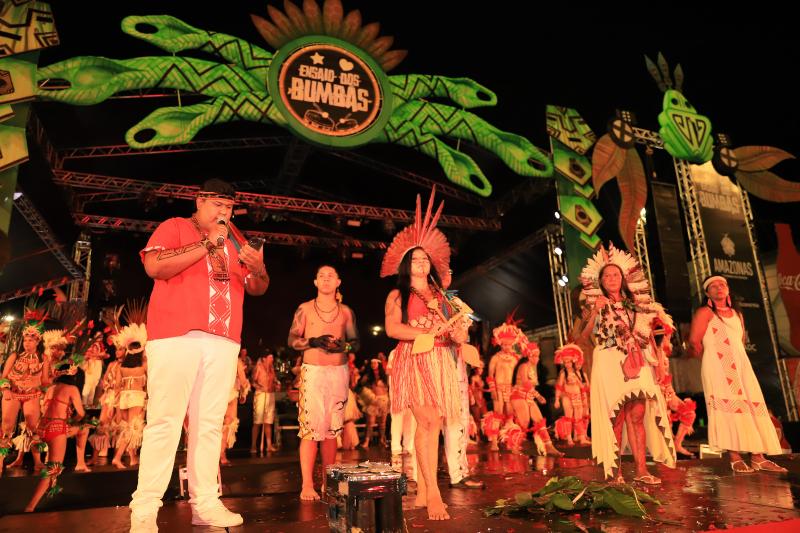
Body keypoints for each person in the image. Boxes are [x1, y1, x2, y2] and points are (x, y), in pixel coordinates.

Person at [129, 179, 268, 532]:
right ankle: (144, 509)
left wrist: (258, 267)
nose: (224, 212)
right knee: (165, 421)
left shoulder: (236, 239)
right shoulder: (175, 226)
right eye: (218, 205)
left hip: (224, 340)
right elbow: (154, 266)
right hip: (176, 336)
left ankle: (205, 503)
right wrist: (207, 244)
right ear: (199, 201)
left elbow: (257, 287)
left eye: (229, 207)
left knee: (209, 425)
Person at [381, 190, 471, 520]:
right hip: (415, 359)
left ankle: (423, 490)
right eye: (415, 259)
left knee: (435, 423)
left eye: (425, 259)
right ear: (406, 264)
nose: (421, 263)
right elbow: (392, 328)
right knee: (428, 421)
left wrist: (459, 334)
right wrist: (425, 334)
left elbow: (457, 330)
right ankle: (433, 492)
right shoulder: (397, 294)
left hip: (442, 361)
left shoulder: (443, 295)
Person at [580, 243, 676, 485]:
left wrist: (658, 362)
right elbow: (583, 336)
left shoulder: (637, 302)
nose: (612, 278)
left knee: (637, 413)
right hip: (610, 360)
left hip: (638, 358)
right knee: (617, 415)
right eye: (607, 276)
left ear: (623, 278)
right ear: (600, 281)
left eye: (616, 274)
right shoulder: (594, 303)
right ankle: (616, 473)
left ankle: (642, 470)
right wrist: (595, 313)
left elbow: (649, 332)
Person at [688, 275, 786, 473]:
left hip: (740, 365)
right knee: (729, 408)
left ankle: (758, 457)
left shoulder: (736, 313)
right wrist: (712, 362)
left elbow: (740, 342)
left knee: (750, 405)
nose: (718, 288)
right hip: (717, 366)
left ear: (728, 289)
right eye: (713, 286)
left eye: (722, 284)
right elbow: (694, 342)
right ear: (707, 293)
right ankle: (734, 456)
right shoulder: (705, 312)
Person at [288, 265, 359, 501]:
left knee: (331, 430)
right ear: (315, 282)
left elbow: (356, 343)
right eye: (321, 276)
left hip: (338, 373)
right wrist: (313, 341)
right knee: (310, 430)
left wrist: (343, 346)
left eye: (331, 276)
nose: (326, 279)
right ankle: (307, 484)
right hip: (313, 373)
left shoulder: (346, 311)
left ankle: (328, 482)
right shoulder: (305, 309)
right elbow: (292, 339)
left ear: (338, 282)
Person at [25, 366, 90, 512]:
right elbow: (81, 413)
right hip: (56, 428)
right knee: (53, 469)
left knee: (83, 430)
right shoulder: (72, 389)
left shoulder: (51, 388)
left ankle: (79, 463)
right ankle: (30, 507)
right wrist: (71, 421)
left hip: (42, 428)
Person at [2, 308, 49, 473]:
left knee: (33, 428)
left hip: (32, 395)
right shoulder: (15, 356)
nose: (27, 343)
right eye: (25, 340)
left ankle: (37, 461)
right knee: (7, 427)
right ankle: (0, 460)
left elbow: (45, 381)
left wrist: (61, 374)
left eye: (31, 340)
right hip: (13, 393)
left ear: (37, 342)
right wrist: (6, 389)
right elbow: (3, 376)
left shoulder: (43, 358)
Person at [508, 342, 562, 455]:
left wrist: (534, 395)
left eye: (538, 355)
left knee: (540, 421)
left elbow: (531, 385)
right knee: (524, 422)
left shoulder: (532, 367)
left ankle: (549, 446)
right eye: (535, 356)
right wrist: (538, 396)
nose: (537, 358)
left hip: (528, 397)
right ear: (529, 356)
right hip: (518, 396)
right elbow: (525, 382)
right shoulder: (524, 366)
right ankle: (514, 446)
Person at [112, 324, 148, 469]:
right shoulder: (143, 366)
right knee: (132, 429)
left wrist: (115, 405)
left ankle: (133, 458)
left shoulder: (121, 368)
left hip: (124, 397)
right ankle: (117, 457)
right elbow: (150, 382)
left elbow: (117, 386)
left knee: (129, 428)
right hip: (136, 397)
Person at [554, 344, 591, 446]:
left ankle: (581, 438)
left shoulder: (577, 373)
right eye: (565, 362)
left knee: (579, 418)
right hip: (567, 397)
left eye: (568, 362)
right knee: (568, 418)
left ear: (572, 361)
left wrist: (584, 397)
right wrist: (557, 399)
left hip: (577, 396)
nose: (567, 364)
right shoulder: (563, 373)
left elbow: (581, 386)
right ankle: (569, 438)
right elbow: (559, 387)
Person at [251, 353, 279, 454]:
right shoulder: (258, 367)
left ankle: (269, 445)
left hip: (270, 395)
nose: (272, 359)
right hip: (261, 395)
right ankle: (253, 445)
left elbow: (274, 380)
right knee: (257, 421)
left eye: (272, 357)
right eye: (270, 357)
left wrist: (276, 385)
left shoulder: (271, 368)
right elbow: (253, 381)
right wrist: (260, 387)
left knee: (268, 421)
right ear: (264, 358)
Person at [359, 358, 390, 449]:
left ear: (378, 364)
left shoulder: (384, 376)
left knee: (382, 423)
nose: (373, 365)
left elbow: (389, 387)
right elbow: (361, 384)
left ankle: (382, 440)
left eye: (375, 363)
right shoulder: (369, 376)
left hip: (383, 400)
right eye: (372, 363)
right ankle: (367, 441)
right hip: (373, 400)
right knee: (370, 422)